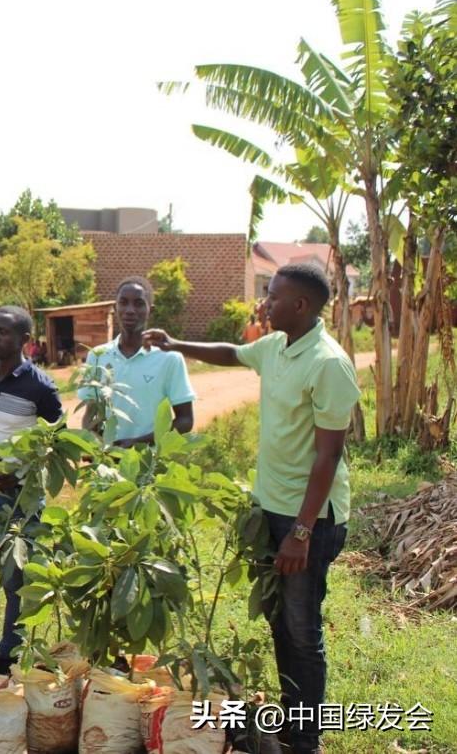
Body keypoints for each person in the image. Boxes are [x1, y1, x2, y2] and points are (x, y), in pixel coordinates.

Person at [143, 263, 359, 754]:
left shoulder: (327, 363)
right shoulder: (277, 346)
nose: (265, 303)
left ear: (301, 306)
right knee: (280, 621)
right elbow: (232, 353)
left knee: (301, 630)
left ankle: (305, 740)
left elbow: (329, 455)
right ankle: (291, 721)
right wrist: (177, 344)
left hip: (311, 520)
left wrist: (300, 533)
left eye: (274, 296)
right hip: (273, 511)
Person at [0, 305, 63, 675]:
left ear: (24, 340)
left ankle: (9, 652)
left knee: (14, 576)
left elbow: (57, 441)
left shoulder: (41, 386)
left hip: (21, 496)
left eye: (4, 332)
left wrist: (20, 472)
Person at [78, 277, 195, 446]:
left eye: (139, 304)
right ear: (115, 307)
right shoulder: (97, 356)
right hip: (108, 463)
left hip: (151, 464)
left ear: (150, 310)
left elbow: (185, 420)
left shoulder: (169, 358)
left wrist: (138, 443)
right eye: (123, 303)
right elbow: (90, 413)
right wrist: (94, 444)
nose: (130, 310)